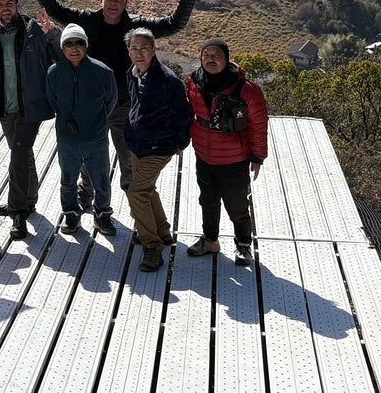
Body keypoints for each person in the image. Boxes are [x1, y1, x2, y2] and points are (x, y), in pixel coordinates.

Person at [21, 0, 202, 197]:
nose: (113, 3)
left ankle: (135, 199)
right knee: (88, 153)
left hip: (124, 102)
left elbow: (172, 25)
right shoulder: (86, 20)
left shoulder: (137, 25)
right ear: (101, 1)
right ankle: (86, 194)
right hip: (91, 102)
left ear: (125, 3)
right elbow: (55, 10)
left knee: (128, 155)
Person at [0, 0, 59, 239]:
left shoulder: (34, 30)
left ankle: (18, 212)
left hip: (30, 106)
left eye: (9, 3)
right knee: (21, 153)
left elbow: (58, 57)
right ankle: (28, 199)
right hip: (5, 108)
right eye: (0, 4)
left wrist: (53, 34)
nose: (5, 8)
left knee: (18, 156)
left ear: (18, 6)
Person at [185, 39, 269, 264]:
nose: (210, 59)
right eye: (206, 55)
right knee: (208, 202)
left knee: (237, 205)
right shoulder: (194, 82)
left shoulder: (247, 89)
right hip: (204, 156)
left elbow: (258, 125)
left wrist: (258, 156)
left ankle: (243, 245)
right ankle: (210, 241)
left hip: (234, 159)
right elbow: (187, 114)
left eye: (216, 55)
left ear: (227, 59)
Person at [123, 28, 192, 272]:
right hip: (138, 144)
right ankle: (162, 232)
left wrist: (181, 143)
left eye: (144, 48)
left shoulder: (168, 80)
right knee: (147, 189)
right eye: (134, 48)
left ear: (153, 50)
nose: (138, 53)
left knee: (136, 193)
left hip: (158, 146)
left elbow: (183, 114)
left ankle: (152, 246)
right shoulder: (133, 73)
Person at [45, 23, 118, 234]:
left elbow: (110, 102)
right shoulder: (54, 73)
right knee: (68, 180)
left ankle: (102, 217)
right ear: (63, 48)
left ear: (86, 46)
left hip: (96, 138)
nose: (74, 48)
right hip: (67, 139)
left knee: (101, 180)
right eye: (68, 44)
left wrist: (94, 122)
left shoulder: (103, 72)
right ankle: (71, 216)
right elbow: (53, 101)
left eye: (79, 43)